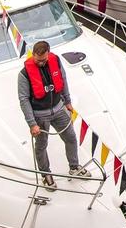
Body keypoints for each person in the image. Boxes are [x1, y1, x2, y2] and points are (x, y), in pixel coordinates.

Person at [18, 40, 87, 188]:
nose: (41, 63)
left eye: (43, 60)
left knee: (71, 137)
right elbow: (23, 100)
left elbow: (63, 81)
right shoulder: (24, 74)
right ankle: (46, 174)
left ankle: (74, 166)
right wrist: (32, 123)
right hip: (40, 115)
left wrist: (67, 101)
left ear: (48, 54)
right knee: (41, 145)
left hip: (59, 109)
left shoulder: (56, 62)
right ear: (33, 55)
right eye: (38, 60)